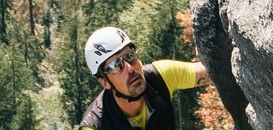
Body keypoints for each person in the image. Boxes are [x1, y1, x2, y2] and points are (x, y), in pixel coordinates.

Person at [78, 26, 207, 129]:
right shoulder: (96, 125)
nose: (129, 68)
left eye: (130, 56)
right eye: (116, 65)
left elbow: (213, 71)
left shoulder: (160, 77)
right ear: (104, 82)